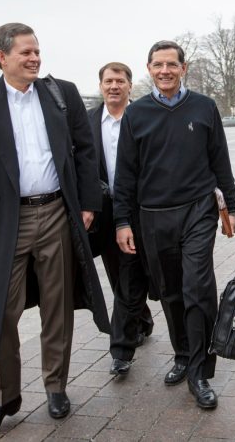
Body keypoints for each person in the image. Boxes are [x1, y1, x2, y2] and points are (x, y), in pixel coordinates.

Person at [0, 23, 111, 439]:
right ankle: (2, 399)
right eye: (26, 53)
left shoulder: (61, 93)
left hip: (56, 211)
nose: (35, 58)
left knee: (58, 307)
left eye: (37, 51)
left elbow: (85, 148)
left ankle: (56, 387)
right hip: (2, 224)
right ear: (2, 57)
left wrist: (89, 202)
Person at [113, 40, 235, 409]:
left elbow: (220, 159)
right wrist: (123, 220)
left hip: (198, 209)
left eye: (172, 64)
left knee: (198, 287)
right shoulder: (137, 114)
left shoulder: (204, 107)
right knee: (169, 291)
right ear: (149, 69)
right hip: (152, 215)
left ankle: (200, 372)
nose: (165, 70)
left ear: (184, 68)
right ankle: (183, 354)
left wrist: (229, 205)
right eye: (158, 65)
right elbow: (126, 174)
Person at [87, 62, 154, 376]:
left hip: (143, 207)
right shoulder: (87, 122)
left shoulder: (144, 116)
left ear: (130, 86)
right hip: (106, 209)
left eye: (120, 81)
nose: (114, 86)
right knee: (119, 272)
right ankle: (133, 327)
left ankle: (138, 322)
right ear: (101, 86)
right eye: (108, 81)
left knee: (143, 269)